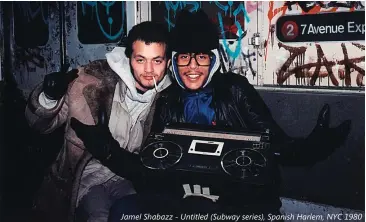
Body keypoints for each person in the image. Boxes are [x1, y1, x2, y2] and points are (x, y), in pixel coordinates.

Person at [71, 10, 351, 221]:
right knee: (125, 210)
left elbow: (277, 146)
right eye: (184, 57)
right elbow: (149, 170)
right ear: (175, 61)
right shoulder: (167, 100)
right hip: (181, 201)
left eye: (201, 57)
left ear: (213, 59)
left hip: (240, 203)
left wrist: (314, 146)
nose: (193, 67)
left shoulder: (235, 91)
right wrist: (105, 148)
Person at [25, 21, 172, 222]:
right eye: (140, 60)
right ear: (129, 58)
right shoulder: (89, 83)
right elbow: (39, 126)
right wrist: (49, 97)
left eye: (157, 61)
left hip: (125, 180)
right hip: (82, 181)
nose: (148, 70)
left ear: (168, 62)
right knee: (99, 215)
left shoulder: (168, 99)